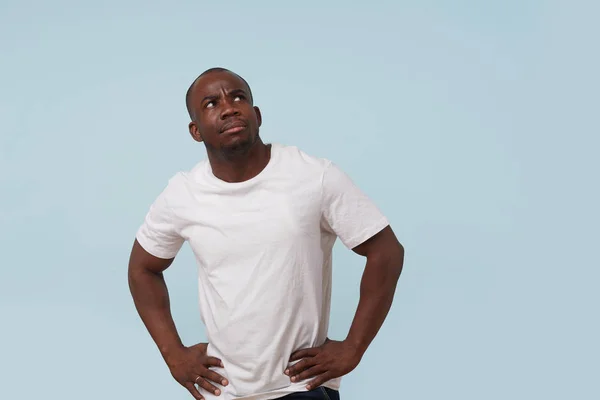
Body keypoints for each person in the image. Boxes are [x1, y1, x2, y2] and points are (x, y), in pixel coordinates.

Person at [127, 67, 404, 400]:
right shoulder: (183, 194)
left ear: (256, 114)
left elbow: (386, 251)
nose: (229, 107)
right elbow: (142, 269)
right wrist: (173, 354)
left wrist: (353, 347)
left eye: (238, 97)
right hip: (225, 390)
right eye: (211, 103)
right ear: (195, 131)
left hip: (299, 386)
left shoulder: (312, 176)